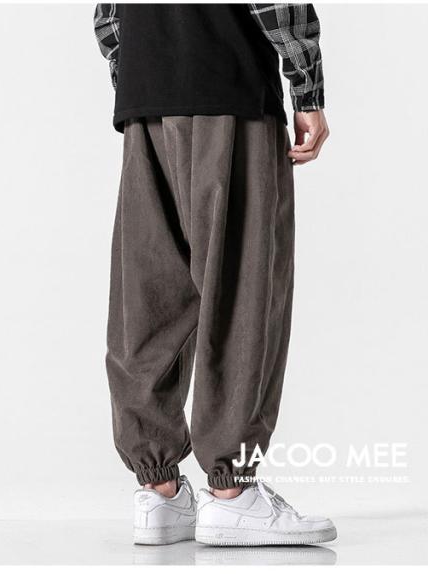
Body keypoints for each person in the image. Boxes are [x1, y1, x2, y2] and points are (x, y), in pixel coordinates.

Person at [94, 3, 335, 546]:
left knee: (149, 296)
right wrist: (308, 91)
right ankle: (231, 494)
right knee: (242, 288)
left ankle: (159, 491)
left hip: (146, 99)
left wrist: (139, 74)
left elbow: (108, 17)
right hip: (228, 87)